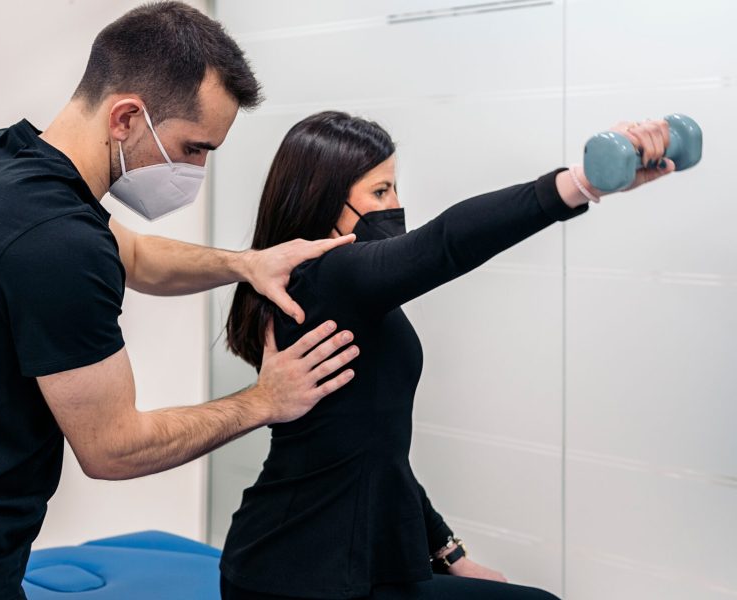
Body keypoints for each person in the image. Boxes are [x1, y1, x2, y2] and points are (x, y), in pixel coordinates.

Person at [0, 4, 360, 599]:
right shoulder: (56, 243)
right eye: (193, 148)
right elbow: (114, 448)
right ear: (127, 117)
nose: (198, 169)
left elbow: (131, 255)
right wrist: (264, 400)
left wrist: (246, 264)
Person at [222, 111, 675, 599]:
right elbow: (444, 243)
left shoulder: (327, 287)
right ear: (325, 201)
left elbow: (375, 452)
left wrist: (450, 554)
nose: (396, 205)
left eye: (395, 188)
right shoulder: (327, 275)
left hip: (320, 561)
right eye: (380, 192)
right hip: (296, 577)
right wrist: (581, 184)